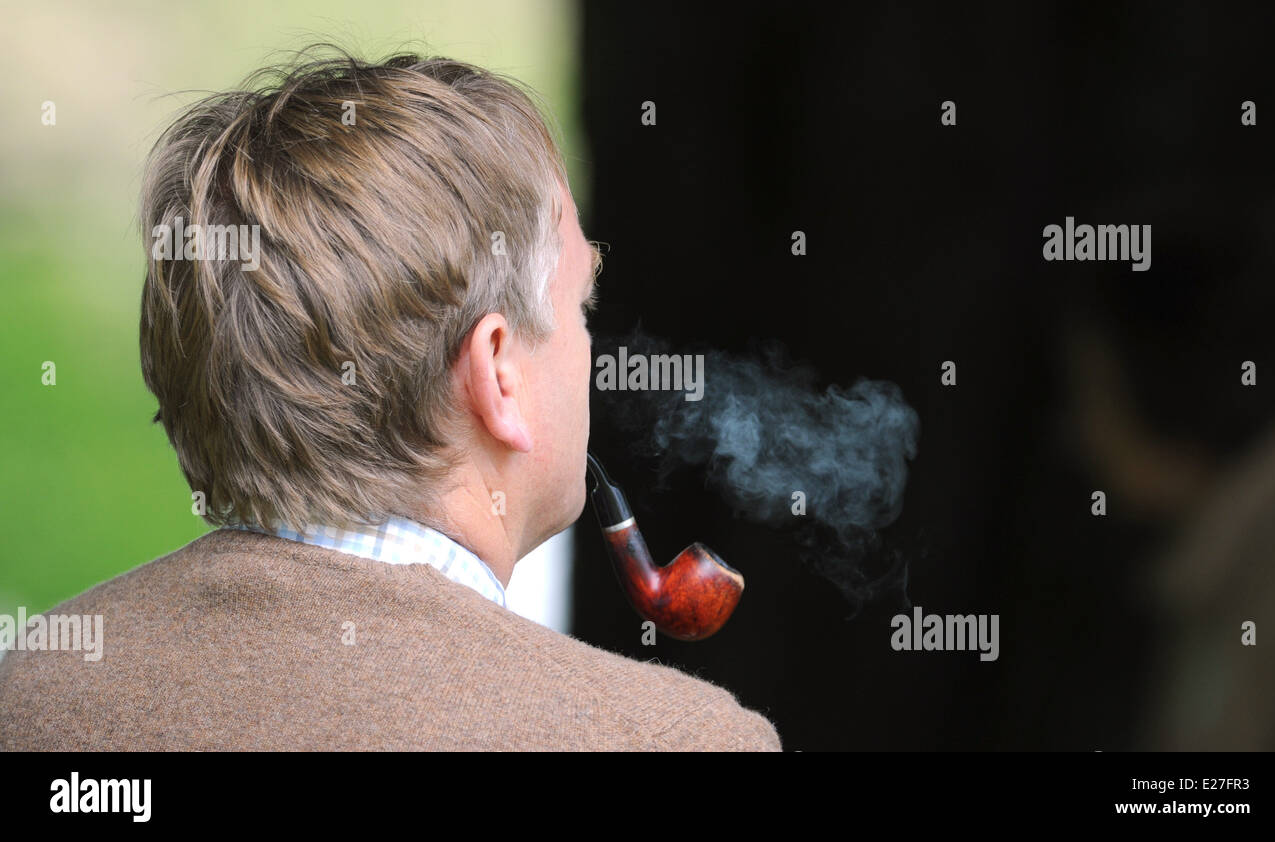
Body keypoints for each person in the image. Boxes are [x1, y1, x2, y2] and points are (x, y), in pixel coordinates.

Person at [0, 50, 780, 751]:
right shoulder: (676, 742)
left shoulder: (29, 691)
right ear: (497, 372)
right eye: (581, 307)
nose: (589, 347)